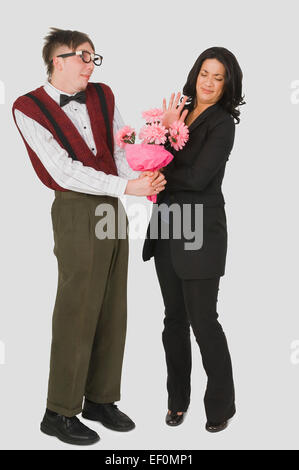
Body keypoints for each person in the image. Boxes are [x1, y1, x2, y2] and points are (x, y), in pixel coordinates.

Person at [12, 27, 166, 446]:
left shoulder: (102, 95)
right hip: (75, 209)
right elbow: (61, 170)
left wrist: (140, 176)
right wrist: (126, 188)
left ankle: (100, 400)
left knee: (114, 305)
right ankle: (58, 411)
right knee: (77, 308)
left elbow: (118, 148)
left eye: (93, 57)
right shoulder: (26, 107)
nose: (89, 65)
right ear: (56, 60)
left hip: (111, 207)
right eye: (82, 57)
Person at [143, 47, 245, 433]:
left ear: (227, 84)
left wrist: (162, 169)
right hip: (168, 226)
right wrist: (168, 128)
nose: (209, 82)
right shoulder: (180, 112)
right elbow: (151, 157)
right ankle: (176, 401)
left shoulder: (223, 124)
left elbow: (200, 178)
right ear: (196, 73)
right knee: (173, 321)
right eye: (205, 73)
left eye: (219, 77)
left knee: (204, 321)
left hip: (201, 232)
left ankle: (221, 406)